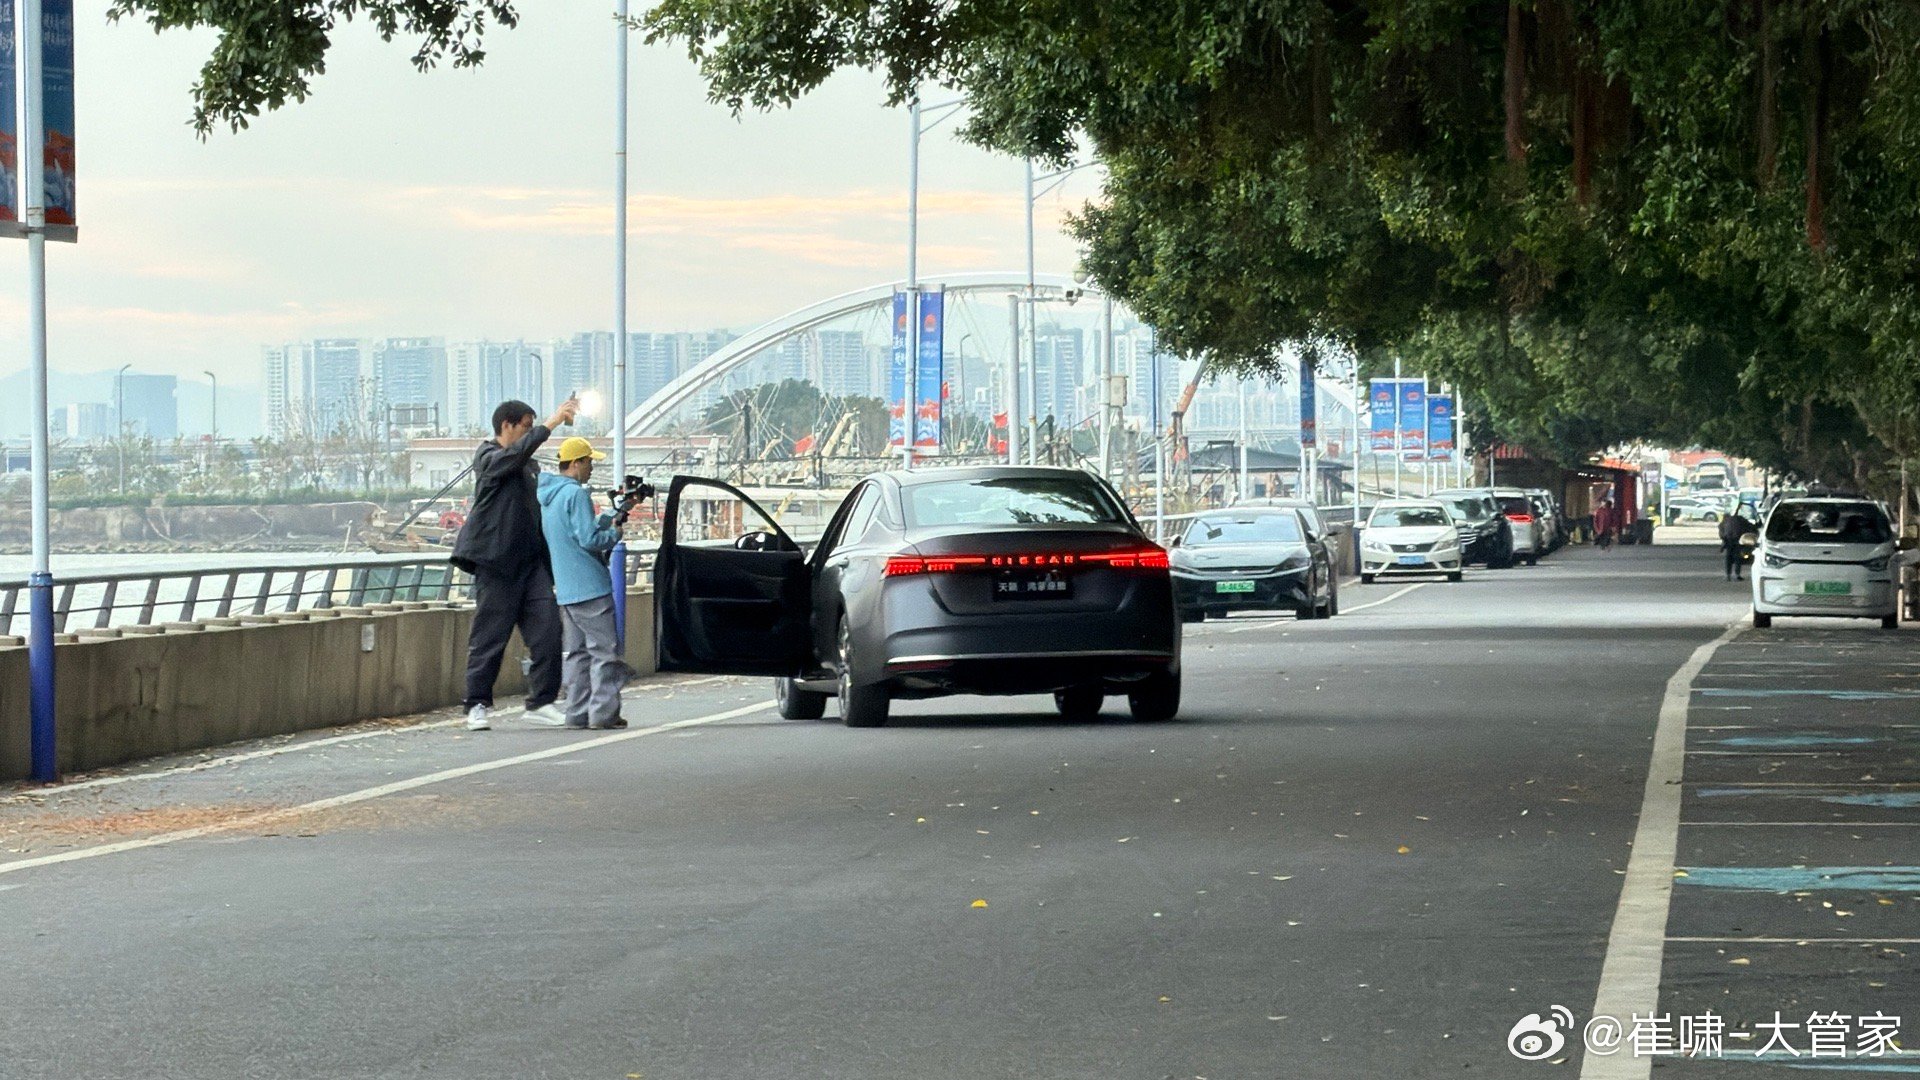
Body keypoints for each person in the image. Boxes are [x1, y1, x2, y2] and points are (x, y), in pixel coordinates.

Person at [451, 397, 578, 731]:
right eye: (525, 426)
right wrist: (550, 424)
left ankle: (542, 701)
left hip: (531, 563)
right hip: (495, 562)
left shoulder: (528, 466)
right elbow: (511, 457)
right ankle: (476, 703)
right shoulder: (489, 457)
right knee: (490, 637)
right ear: (507, 425)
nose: (527, 435)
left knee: (549, 632)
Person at [537, 437, 631, 730]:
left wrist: (612, 514)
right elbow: (589, 538)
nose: (591, 468)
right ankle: (603, 714)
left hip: (566, 589)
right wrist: (615, 533)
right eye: (589, 462)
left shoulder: (550, 497)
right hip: (590, 586)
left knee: (577, 655)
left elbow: (579, 528)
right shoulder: (577, 494)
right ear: (576, 463)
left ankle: (576, 713)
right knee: (604, 652)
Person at [1718, 504, 1755, 581]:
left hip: (1729, 541)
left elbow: (1722, 534)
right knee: (1737, 558)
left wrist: (1723, 543)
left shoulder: (1724, 522)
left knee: (1728, 558)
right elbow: (1750, 527)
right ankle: (1737, 575)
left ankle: (1728, 575)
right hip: (1737, 540)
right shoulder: (1740, 520)